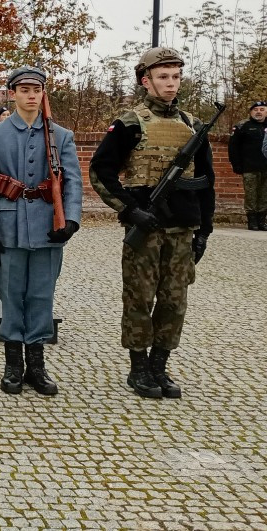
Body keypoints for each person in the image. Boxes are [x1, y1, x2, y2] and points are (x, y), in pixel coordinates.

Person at [90, 47, 215, 400]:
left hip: (182, 228)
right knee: (139, 299)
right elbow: (101, 171)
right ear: (146, 81)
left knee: (175, 302)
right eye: (163, 77)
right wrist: (129, 210)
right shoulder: (130, 123)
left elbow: (207, 180)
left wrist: (205, 229)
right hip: (146, 228)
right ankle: (139, 367)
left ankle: (160, 365)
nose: (171, 84)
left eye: (175, 76)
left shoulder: (191, 125)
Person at [0, 67, 83, 396]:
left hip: (49, 226)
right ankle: (12, 365)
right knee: (10, 296)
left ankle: (36, 364)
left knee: (41, 295)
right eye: (23, 89)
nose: (31, 95)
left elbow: (73, 182)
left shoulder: (60, 136)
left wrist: (71, 221)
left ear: (43, 94)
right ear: (12, 94)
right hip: (8, 227)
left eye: (36, 89)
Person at [227, 100, 267, 231]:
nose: (258, 112)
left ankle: (262, 221)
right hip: (249, 167)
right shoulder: (243, 126)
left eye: (262, 109)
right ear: (251, 112)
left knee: (264, 195)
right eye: (255, 110)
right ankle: (252, 221)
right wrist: (236, 164)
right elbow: (233, 147)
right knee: (251, 194)